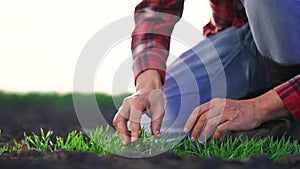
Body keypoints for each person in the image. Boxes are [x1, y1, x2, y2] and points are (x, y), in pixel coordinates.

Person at [113, 0, 300, 145]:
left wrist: (258, 108)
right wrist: (147, 86)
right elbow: (156, 10)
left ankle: (283, 116)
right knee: (149, 128)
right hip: (243, 37)